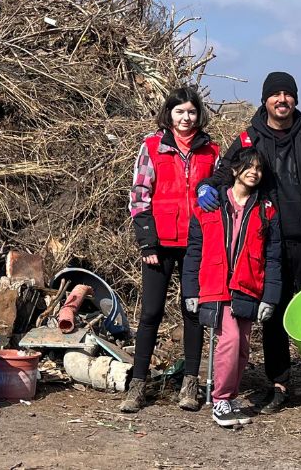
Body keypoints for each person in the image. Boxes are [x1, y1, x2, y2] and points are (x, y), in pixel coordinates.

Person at [196, 72, 301, 424]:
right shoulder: (250, 137)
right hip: (268, 243)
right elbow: (226, 172)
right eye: (275, 94)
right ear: (264, 100)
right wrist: (206, 187)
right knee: (273, 317)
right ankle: (279, 385)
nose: (282, 99)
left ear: (295, 99)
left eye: (287, 94)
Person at [121, 86, 218, 413]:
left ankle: (190, 384)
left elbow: (220, 194)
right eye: (179, 112)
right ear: (169, 114)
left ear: (198, 114)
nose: (186, 118)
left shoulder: (211, 151)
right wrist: (147, 241)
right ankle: (138, 384)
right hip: (159, 243)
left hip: (196, 243)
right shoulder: (152, 146)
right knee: (151, 313)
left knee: (193, 312)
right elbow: (139, 195)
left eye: (191, 111)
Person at [182, 148, 282, 428]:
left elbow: (273, 257)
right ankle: (221, 400)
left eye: (259, 168)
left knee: (242, 348)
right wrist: (190, 289)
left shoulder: (266, 210)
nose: (254, 172)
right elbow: (194, 250)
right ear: (235, 170)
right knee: (230, 340)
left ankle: (231, 397)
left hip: (249, 285)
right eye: (248, 167)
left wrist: (270, 297)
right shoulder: (210, 204)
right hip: (215, 284)